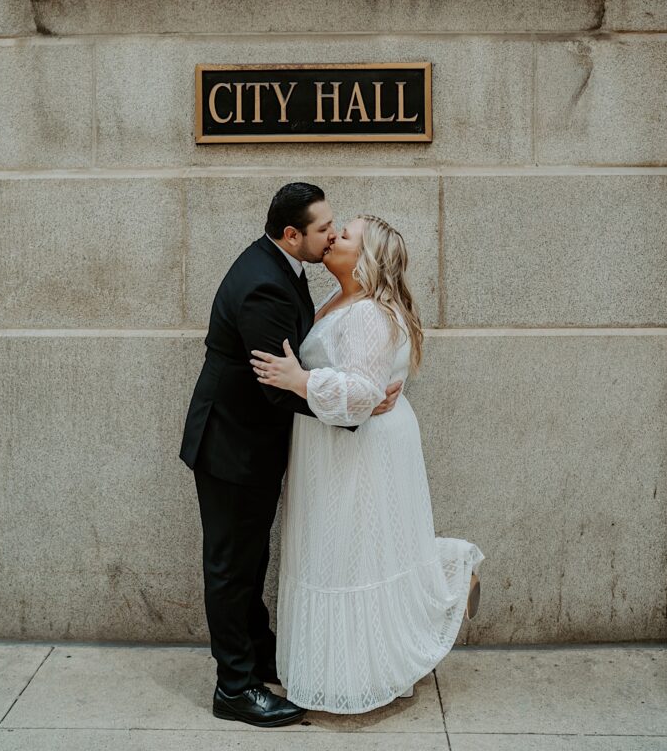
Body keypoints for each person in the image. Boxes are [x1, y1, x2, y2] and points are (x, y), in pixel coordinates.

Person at [179, 183, 403, 728]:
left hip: (249, 444)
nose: (331, 234)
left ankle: (257, 654)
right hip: (232, 446)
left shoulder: (284, 268)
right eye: (324, 228)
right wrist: (357, 405)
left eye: (335, 226)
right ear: (291, 235)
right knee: (232, 567)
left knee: (251, 559)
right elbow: (277, 386)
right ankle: (233, 686)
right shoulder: (264, 286)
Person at [250, 214, 484, 713]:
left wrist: (298, 380)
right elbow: (365, 383)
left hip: (356, 451)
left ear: (367, 259)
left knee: (352, 552)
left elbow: (359, 394)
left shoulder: (368, 315)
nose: (333, 236)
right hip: (336, 444)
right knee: (349, 548)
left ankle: (442, 584)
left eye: (346, 234)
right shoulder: (340, 302)